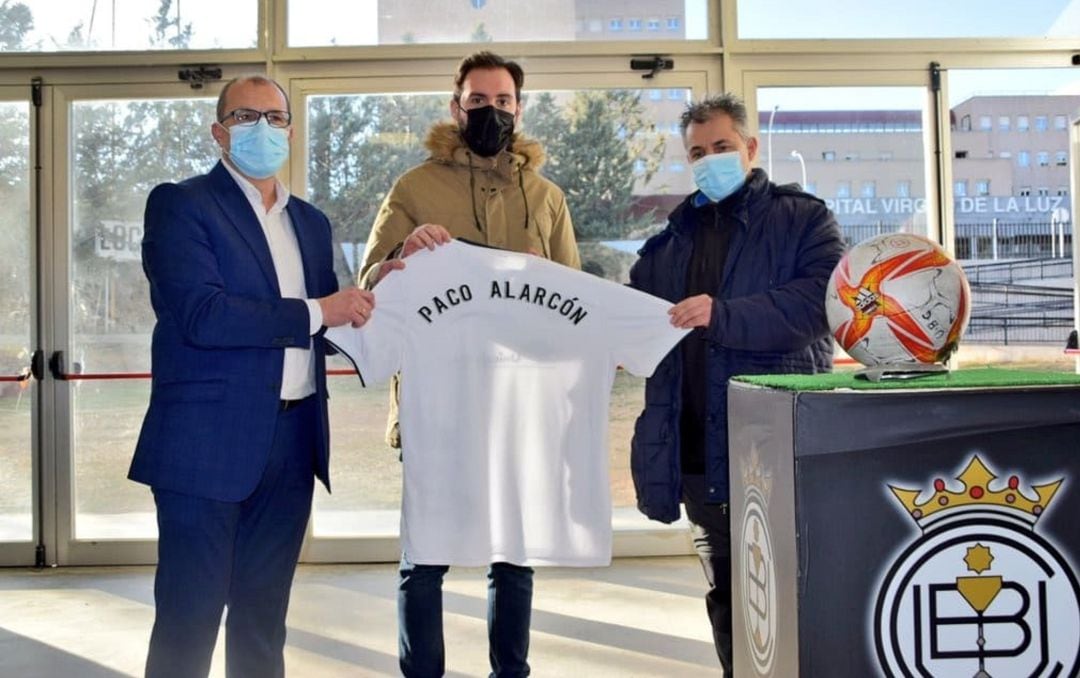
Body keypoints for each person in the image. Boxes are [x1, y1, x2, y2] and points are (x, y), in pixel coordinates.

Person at [129, 74, 376, 678]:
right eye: (245, 117)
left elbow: (328, 321)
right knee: (190, 617)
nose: (262, 128)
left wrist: (390, 284)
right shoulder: (181, 204)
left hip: (293, 442)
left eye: (274, 117)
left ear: (291, 131)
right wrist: (323, 310)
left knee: (263, 620)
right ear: (219, 131)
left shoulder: (311, 223)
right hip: (205, 445)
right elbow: (202, 315)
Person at [358, 50, 580, 678]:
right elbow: (369, 284)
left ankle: (511, 672)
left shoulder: (547, 197)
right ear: (456, 107)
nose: (490, 111)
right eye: (477, 101)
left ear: (520, 108)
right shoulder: (414, 187)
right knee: (424, 558)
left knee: (513, 556)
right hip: (436, 403)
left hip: (520, 403)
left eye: (502, 101)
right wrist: (405, 250)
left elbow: (572, 299)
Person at [628, 93, 845, 676]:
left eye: (722, 147)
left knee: (794, 598)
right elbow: (628, 314)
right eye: (697, 152)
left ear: (750, 148)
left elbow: (818, 305)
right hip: (700, 459)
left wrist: (721, 313)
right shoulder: (667, 241)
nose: (710, 159)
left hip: (777, 450)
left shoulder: (805, 219)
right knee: (729, 600)